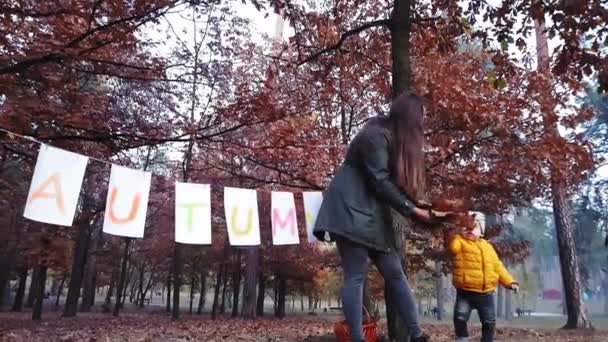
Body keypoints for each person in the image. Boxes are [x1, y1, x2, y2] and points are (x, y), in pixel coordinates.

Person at [313, 92, 449, 342]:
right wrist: (412, 210)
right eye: (421, 117)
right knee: (356, 274)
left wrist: (420, 205)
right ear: (410, 117)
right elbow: (379, 181)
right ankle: (357, 338)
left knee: (395, 273)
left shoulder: (391, 139)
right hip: (349, 208)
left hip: (373, 214)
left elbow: (389, 184)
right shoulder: (375, 136)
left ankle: (417, 335)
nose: (423, 124)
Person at [448, 213, 519, 342]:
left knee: (489, 321)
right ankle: (462, 337)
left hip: (485, 293)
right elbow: (452, 248)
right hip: (465, 292)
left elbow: (498, 267)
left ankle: (487, 339)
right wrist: (457, 235)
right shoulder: (459, 243)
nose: (469, 230)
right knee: (459, 317)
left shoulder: (488, 247)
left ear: (481, 232)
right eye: (465, 227)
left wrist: (510, 282)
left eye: (473, 227)